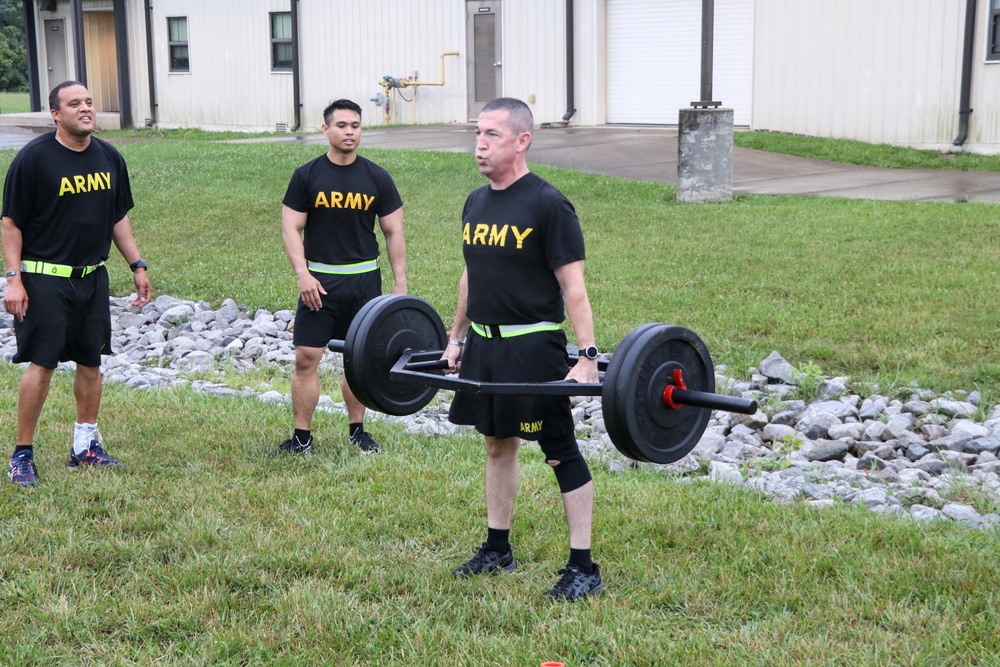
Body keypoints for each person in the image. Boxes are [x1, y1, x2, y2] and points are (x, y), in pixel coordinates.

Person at [442, 97, 604, 601]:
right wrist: (456, 337)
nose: (480, 145)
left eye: (491, 134)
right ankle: (498, 548)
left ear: (522, 140)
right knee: (496, 443)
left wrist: (586, 357)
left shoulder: (548, 204)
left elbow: (573, 288)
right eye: (477, 134)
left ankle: (584, 566)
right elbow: (472, 274)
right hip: (486, 347)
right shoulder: (475, 202)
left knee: (558, 450)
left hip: (533, 346)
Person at [1, 81, 153, 487]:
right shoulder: (34, 160)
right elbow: (10, 223)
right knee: (43, 363)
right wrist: (13, 281)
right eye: (74, 104)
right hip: (44, 278)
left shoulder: (109, 157)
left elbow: (117, 217)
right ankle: (22, 455)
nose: (86, 108)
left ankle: (84, 445)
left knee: (91, 361)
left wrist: (136, 264)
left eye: (88, 102)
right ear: (56, 114)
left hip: (90, 278)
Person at [272, 98, 406, 456]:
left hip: (365, 285)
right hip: (320, 285)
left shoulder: (377, 177)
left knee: (358, 361)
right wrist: (303, 274)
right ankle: (302, 439)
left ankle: (357, 431)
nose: (350, 132)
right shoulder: (307, 175)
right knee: (305, 357)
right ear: (326, 129)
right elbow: (290, 227)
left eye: (356, 126)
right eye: (342, 125)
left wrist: (400, 286)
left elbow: (394, 233)